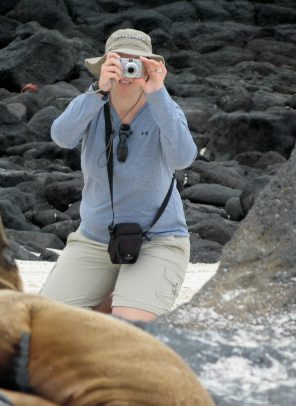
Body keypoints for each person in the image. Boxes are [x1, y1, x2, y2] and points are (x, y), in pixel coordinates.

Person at [40, 28, 197, 322]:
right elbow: (61, 136)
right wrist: (98, 91)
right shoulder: (91, 102)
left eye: (135, 63)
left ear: (149, 67)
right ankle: (113, 298)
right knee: (46, 323)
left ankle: (128, 297)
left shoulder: (165, 108)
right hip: (95, 239)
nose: (127, 70)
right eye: (119, 61)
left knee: (129, 329)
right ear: (104, 64)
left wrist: (158, 94)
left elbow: (183, 158)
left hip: (158, 240)